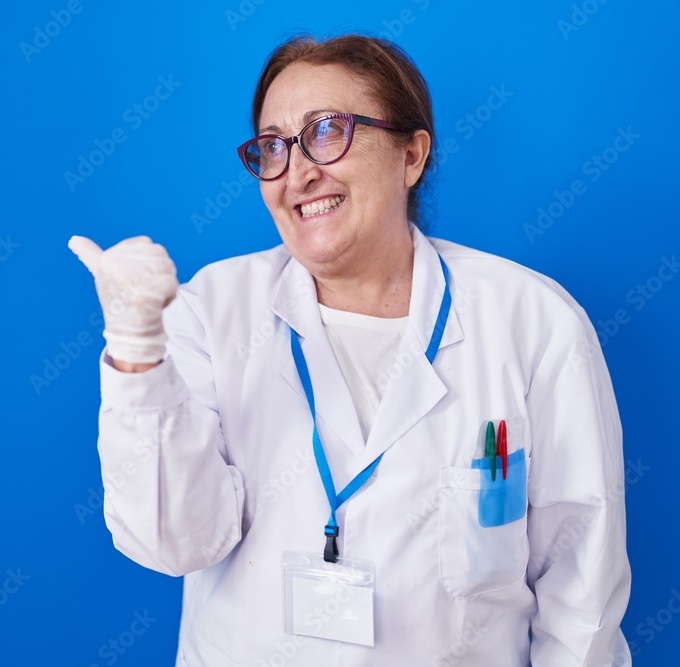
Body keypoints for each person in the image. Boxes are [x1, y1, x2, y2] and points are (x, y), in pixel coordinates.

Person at [69, 34, 631, 666]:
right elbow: (173, 543)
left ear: (411, 155)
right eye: (273, 147)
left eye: (328, 130)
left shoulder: (533, 323)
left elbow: (581, 582)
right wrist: (138, 352)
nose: (300, 171)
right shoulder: (210, 312)